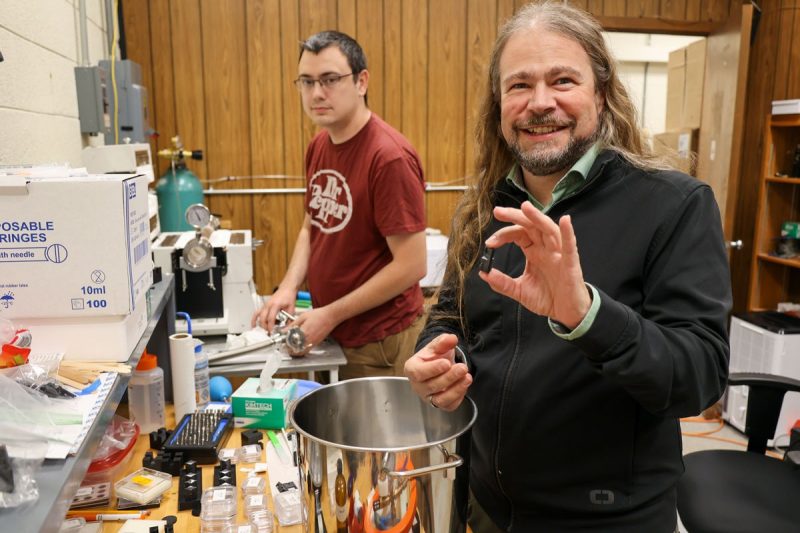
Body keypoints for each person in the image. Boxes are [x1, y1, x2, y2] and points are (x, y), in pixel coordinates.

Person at [404, 3, 731, 532]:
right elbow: (452, 315)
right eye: (519, 86)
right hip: (488, 505)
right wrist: (438, 355)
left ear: (601, 94)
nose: (540, 103)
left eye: (562, 80)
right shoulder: (485, 206)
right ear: (498, 103)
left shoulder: (675, 206)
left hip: (607, 520)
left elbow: (699, 378)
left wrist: (587, 316)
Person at [252, 31, 427, 380]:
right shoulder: (320, 145)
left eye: (330, 80)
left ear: (361, 82)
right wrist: (288, 286)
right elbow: (312, 224)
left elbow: (412, 265)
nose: (316, 93)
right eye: (307, 81)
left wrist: (330, 313)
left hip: (380, 342)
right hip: (333, 331)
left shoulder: (388, 157)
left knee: (375, 437)